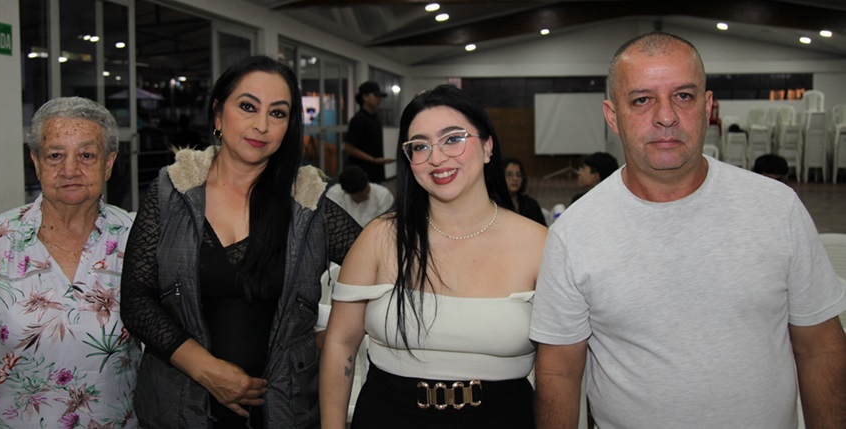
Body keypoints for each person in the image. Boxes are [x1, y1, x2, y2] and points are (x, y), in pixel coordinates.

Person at [530, 32, 846, 429]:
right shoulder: (575, 232)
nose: (666, 116)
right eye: (642, 100)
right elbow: (560, 371)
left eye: (684, 96)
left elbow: (820, 348)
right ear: (612, 117)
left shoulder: (777, 209)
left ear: (708, 106)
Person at [120, 55, 361, 429]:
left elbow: (380, 264)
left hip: (282, 409)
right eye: (248, 107)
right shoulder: (171, 192)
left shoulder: (307, 205)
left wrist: (335, 338)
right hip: (180, 405)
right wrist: (207, 370)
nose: (261, 125)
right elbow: (137, 300)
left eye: (277, 114)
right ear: (218, 115)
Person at [320, 84, 548, 429]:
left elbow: (560, 367)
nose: (437, 158)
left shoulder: (539, 244)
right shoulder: (380, 238)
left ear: (487, 147)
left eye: (453, 139)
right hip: (388, 415)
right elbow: (340, 343)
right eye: (420, 146)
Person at [0, 97, 141, 427]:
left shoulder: (138, 239)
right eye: (55, 156)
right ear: (36, 162)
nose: (69, 170)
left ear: (108, 164)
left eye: (86, 155)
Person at [344, 81, 395, 183]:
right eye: (376, 96)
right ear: (365, 97)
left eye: (380, 96)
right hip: (363, 175)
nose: (379, 99)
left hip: (376, 173)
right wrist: (373, 160)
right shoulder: (358, 119)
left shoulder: (375, 118)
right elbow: (349, 148)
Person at [326, 166, 394, 226]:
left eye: (367, 190)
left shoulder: (383, 195)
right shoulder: (335, 194)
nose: (367, 195)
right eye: (360, 197)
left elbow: (383, 226)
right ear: (347, 193)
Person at [503, 158, 546, 225]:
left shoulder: (531, 204)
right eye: (509, 174)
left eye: (518, 175)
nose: (515, 178)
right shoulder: (494, 205)